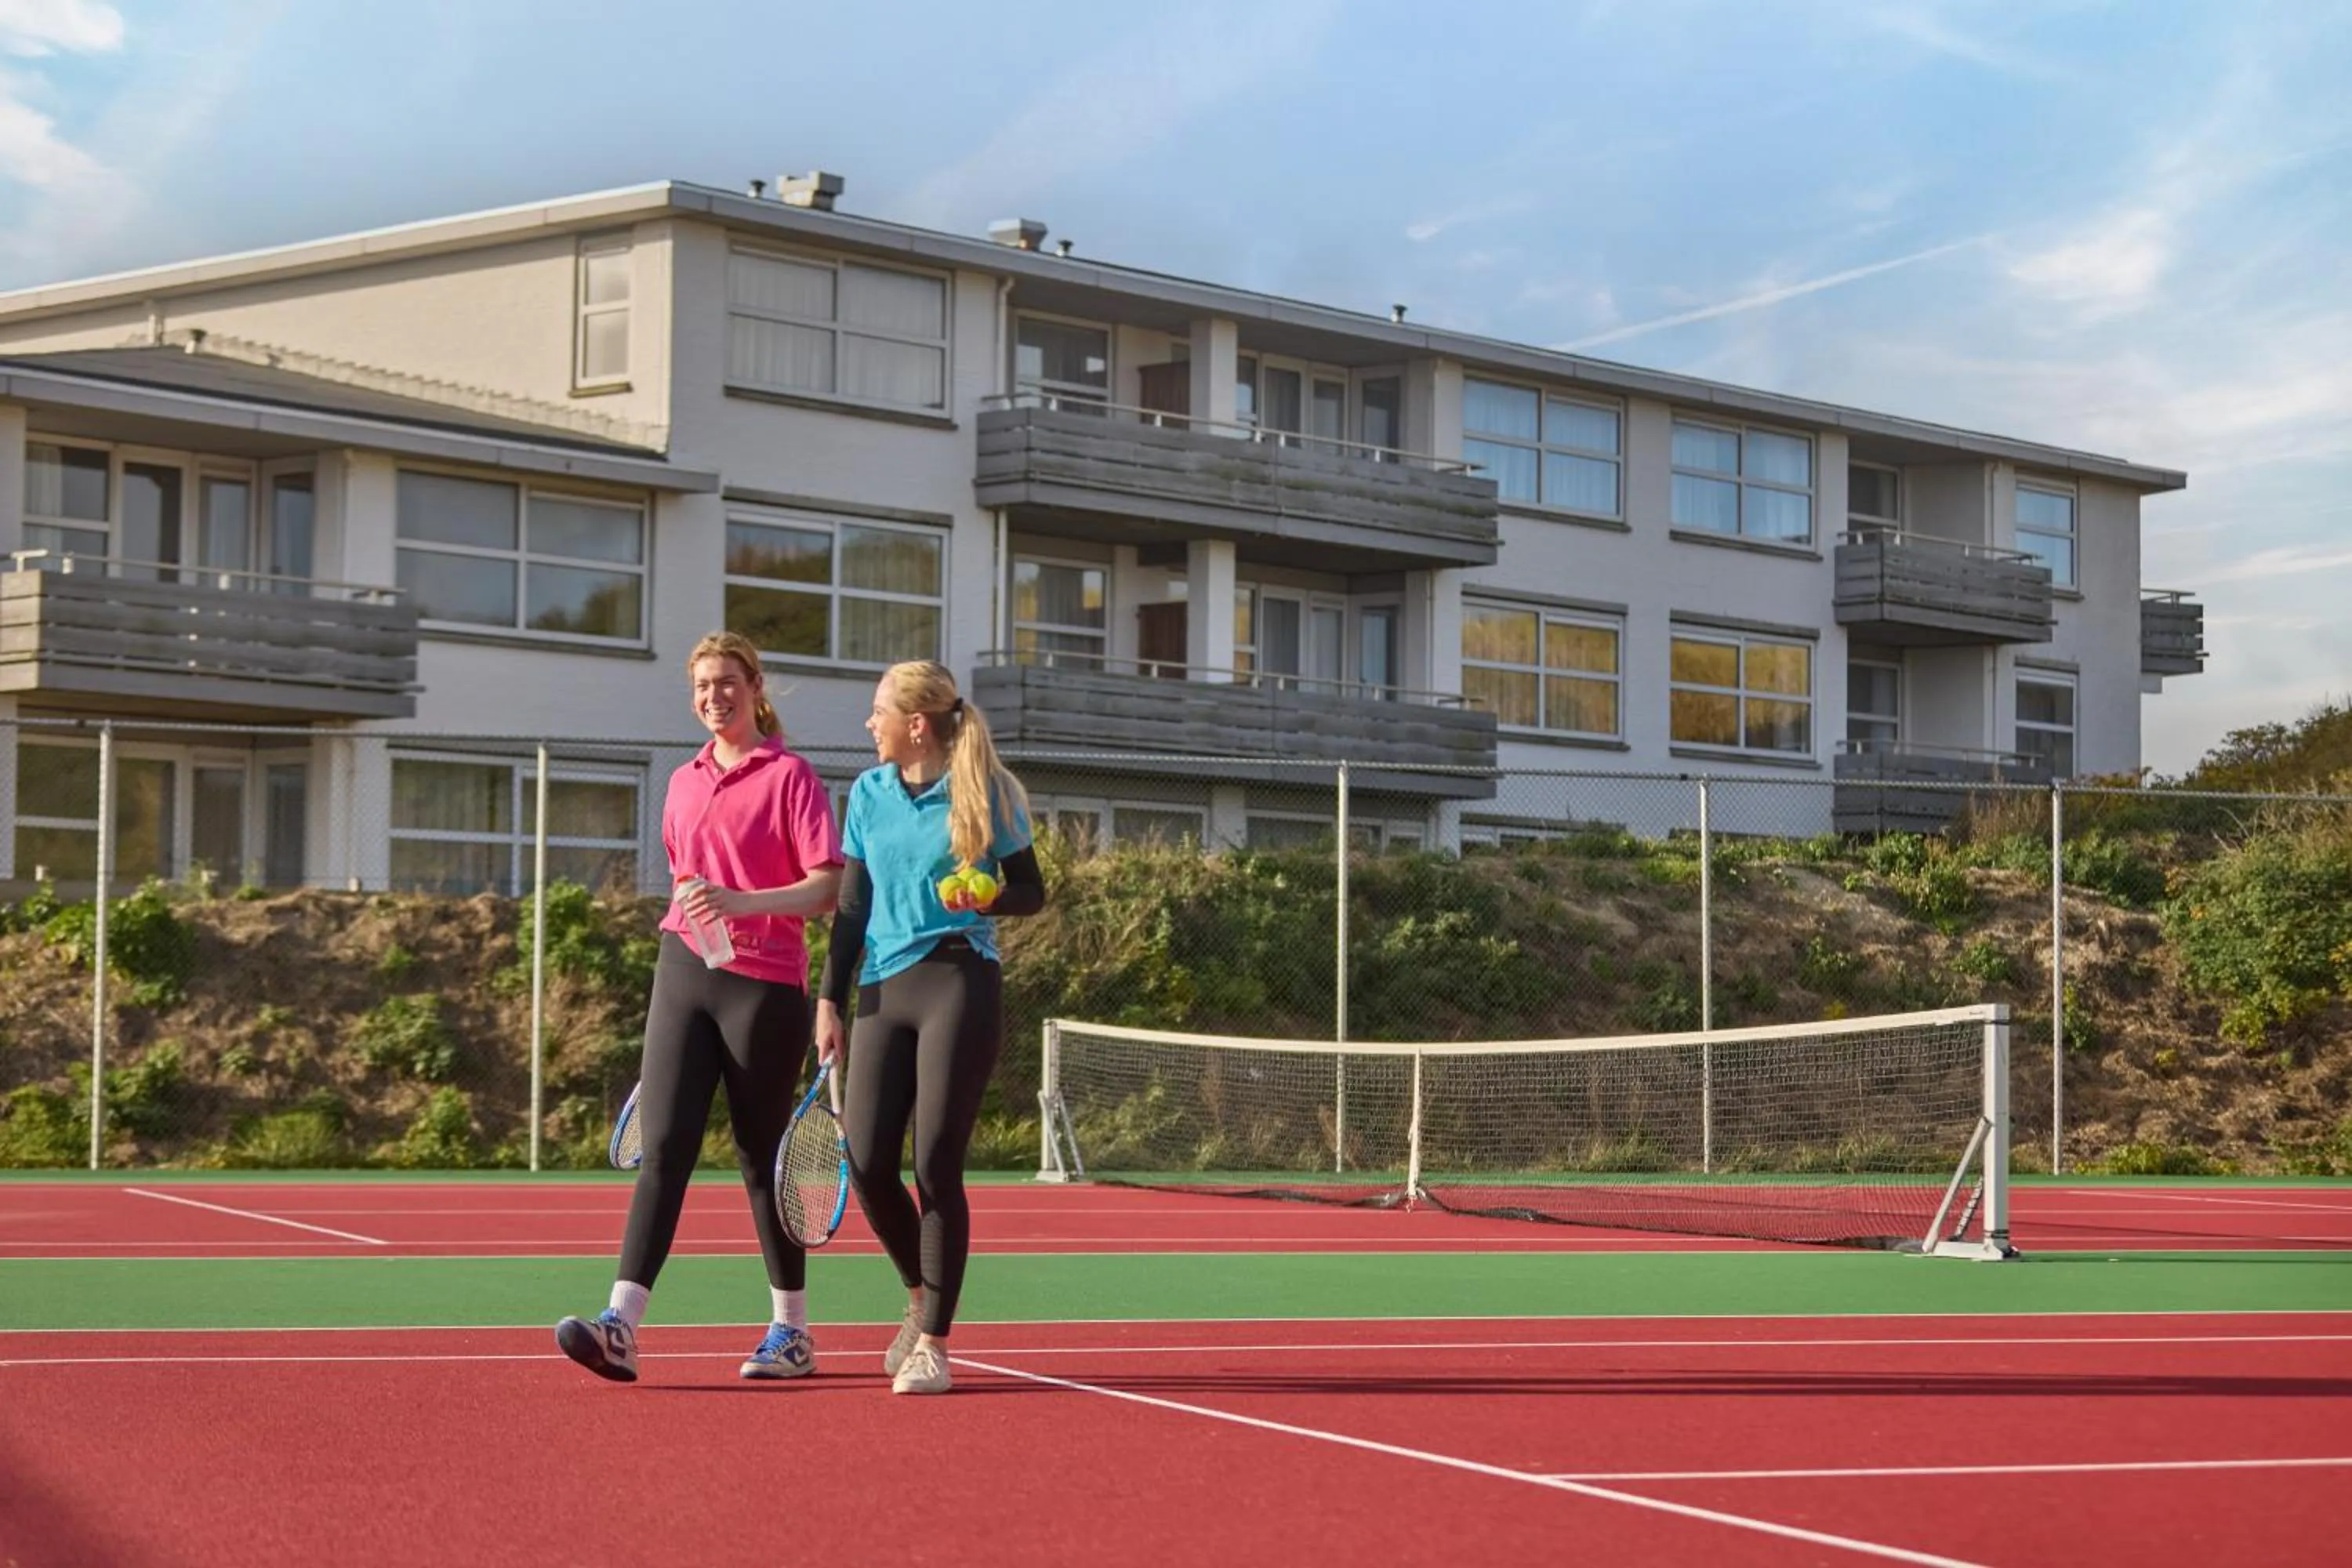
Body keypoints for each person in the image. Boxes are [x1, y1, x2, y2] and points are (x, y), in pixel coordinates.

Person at [556, 631, 841, 1384]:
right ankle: (620, 1326)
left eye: (727, 682)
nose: (714, 696)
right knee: (666, 1148)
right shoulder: (682, 781)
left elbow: (827, 888)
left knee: (761, 1157)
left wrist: (741, 902)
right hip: (683, 968)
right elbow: (688, 880)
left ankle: (792, 1332)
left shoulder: (790, 776)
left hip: (765, 984)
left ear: (755, 687)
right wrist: (705, 910)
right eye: (702, 686)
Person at [815, 660, 1046, 1396]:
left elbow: (1031, 890)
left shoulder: (987, 791)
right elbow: (853, 907)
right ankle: (920, 1297)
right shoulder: (868, 793)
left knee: (935, 1165)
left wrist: (987, 899)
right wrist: (829, 1000)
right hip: (883, 989)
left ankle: (935, 1345)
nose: (869, 723)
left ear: (916, 724)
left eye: (878, 711)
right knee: (867, 1161)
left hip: (958, 980)